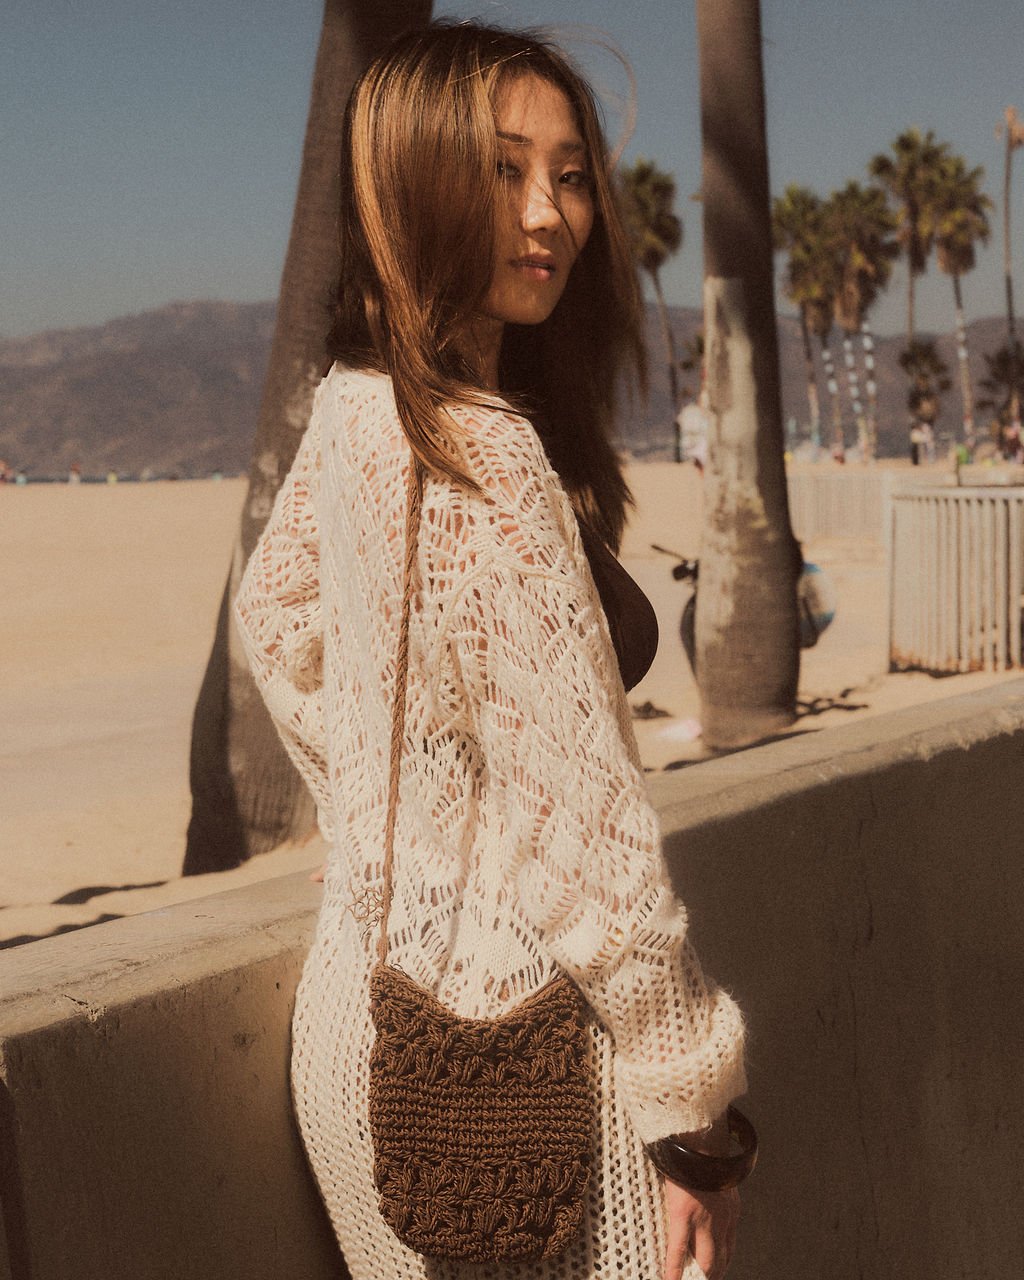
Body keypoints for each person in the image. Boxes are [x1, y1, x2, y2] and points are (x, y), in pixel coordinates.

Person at [234, 22, 748, 1280]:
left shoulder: (355, 408)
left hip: (356, 1029)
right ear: (411, 181)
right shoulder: (486, 449)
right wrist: (691, 1109)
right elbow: (586, 831)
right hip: (509, 1061)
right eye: (503, 169)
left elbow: (274, 620)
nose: (548, 212)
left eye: (571, 173)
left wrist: (375, 816)